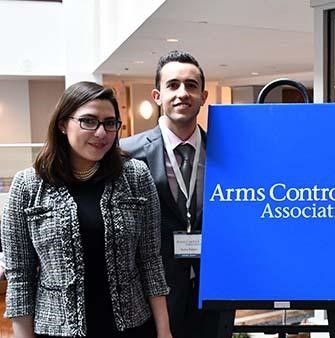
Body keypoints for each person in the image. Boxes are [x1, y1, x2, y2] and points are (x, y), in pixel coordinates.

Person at [1, 81, 171, 338]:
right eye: (89, 121)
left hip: (132, 327)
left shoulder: (135, 176)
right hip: (57, 330)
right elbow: (20, 278)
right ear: (62, 124)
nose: (101, 133)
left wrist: (164, 331)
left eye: (110, 123)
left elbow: (150, 260)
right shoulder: (28, 185)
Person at [120, 50, 230, 338]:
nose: (183, 93)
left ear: (204, 96)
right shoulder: (126, 155)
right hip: (152, 294)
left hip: (215, 289)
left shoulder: (228, 152)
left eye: (191, 86)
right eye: (173, 85)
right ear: (157, 95)